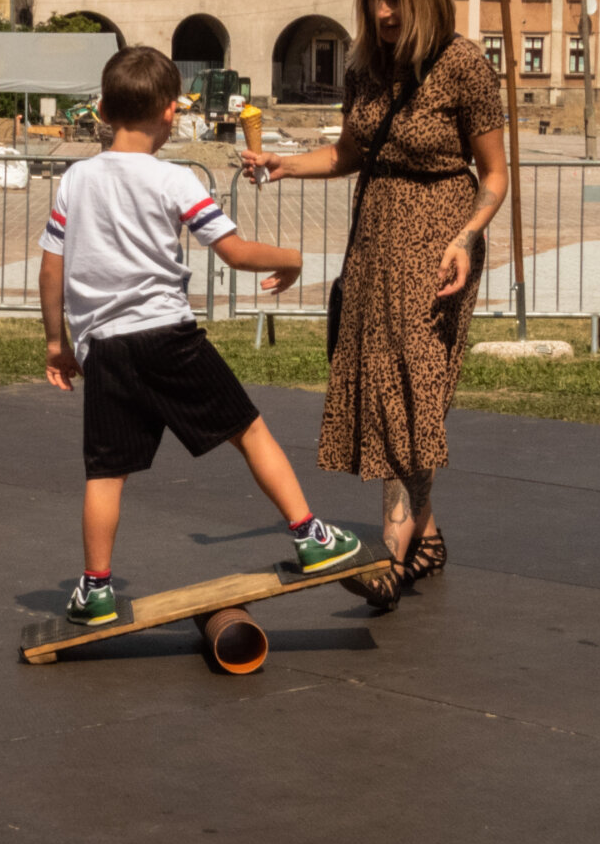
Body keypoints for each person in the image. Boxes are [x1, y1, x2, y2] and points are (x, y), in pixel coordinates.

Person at [38, 47, 361, 625]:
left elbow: (50, 268)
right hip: (166, 336)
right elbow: (232, 251)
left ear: (105, 109)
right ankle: (310, 537)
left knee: (106, 472)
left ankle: (96, 589)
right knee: (248, 430)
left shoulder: (76, 179)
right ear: (170, 114)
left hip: (105, 348)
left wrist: (56, 343)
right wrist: (291, 258)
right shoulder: (174, 178)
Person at [241, 0, 511, 611]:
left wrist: (467, 236)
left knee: (414, 387)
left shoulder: (463, 65)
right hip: (375, 238)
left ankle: (395, 541)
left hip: (441, 240)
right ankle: (427, 536)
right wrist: (283, 162)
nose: (383, 12)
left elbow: (495, 175)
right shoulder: (365, 66)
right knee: (383, 382)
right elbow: (348, 153)